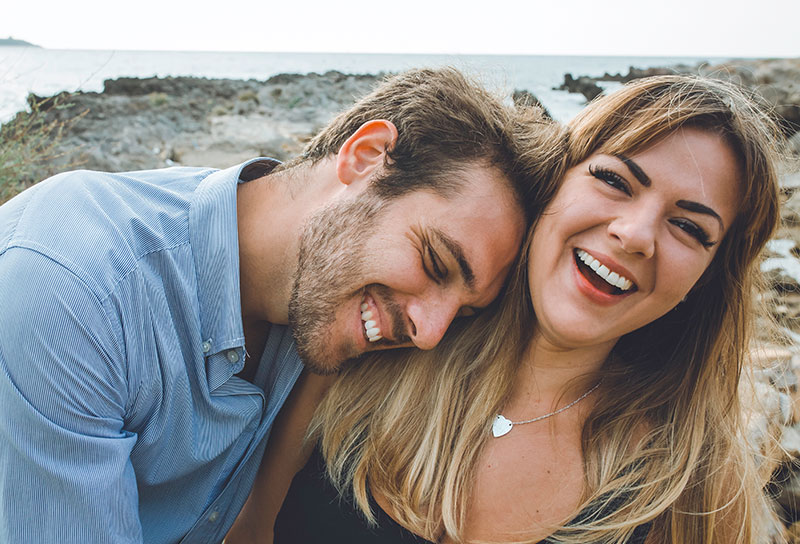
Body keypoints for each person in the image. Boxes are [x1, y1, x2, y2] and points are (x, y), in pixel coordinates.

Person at [0, 68, 558, 543]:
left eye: (462, 313)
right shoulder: (74, 285)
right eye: (435, 262)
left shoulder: (323, 294)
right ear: (365, 158)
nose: (430, 332)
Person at [256, 75, 783, 544]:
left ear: (706, 280)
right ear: (554, 181)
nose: (635, 234)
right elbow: (248, 529)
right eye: (615, 181)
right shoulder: (381, 337)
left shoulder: (698, 491)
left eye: (690, 227)